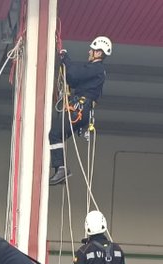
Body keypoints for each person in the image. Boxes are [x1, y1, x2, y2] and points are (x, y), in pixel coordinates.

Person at [49, 36, 111, 186]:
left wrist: (66, 58)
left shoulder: (97, 68)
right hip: (82, 110)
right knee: (57, 134)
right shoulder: (96, 71)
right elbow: (73, 80)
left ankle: (61, 169)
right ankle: (61, 169)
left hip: (80, 109)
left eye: (92, 50)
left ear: (98, 53)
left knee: (55, 133)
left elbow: (74, 74)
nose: (89, 52)